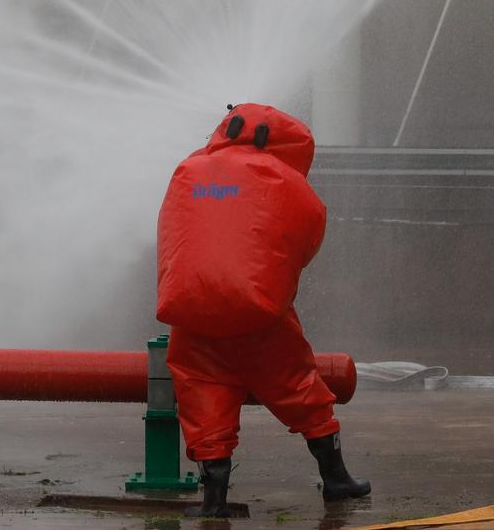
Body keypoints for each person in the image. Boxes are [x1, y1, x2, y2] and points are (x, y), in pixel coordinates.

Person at [155, 104, 369, 518]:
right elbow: (307, 236)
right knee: (299, 387)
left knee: (203, 400)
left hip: (191, 315)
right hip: (259, 317)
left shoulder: (188, 171)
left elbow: (173, 234)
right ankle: (337, 479)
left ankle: (213, 502)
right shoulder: (285, 180)